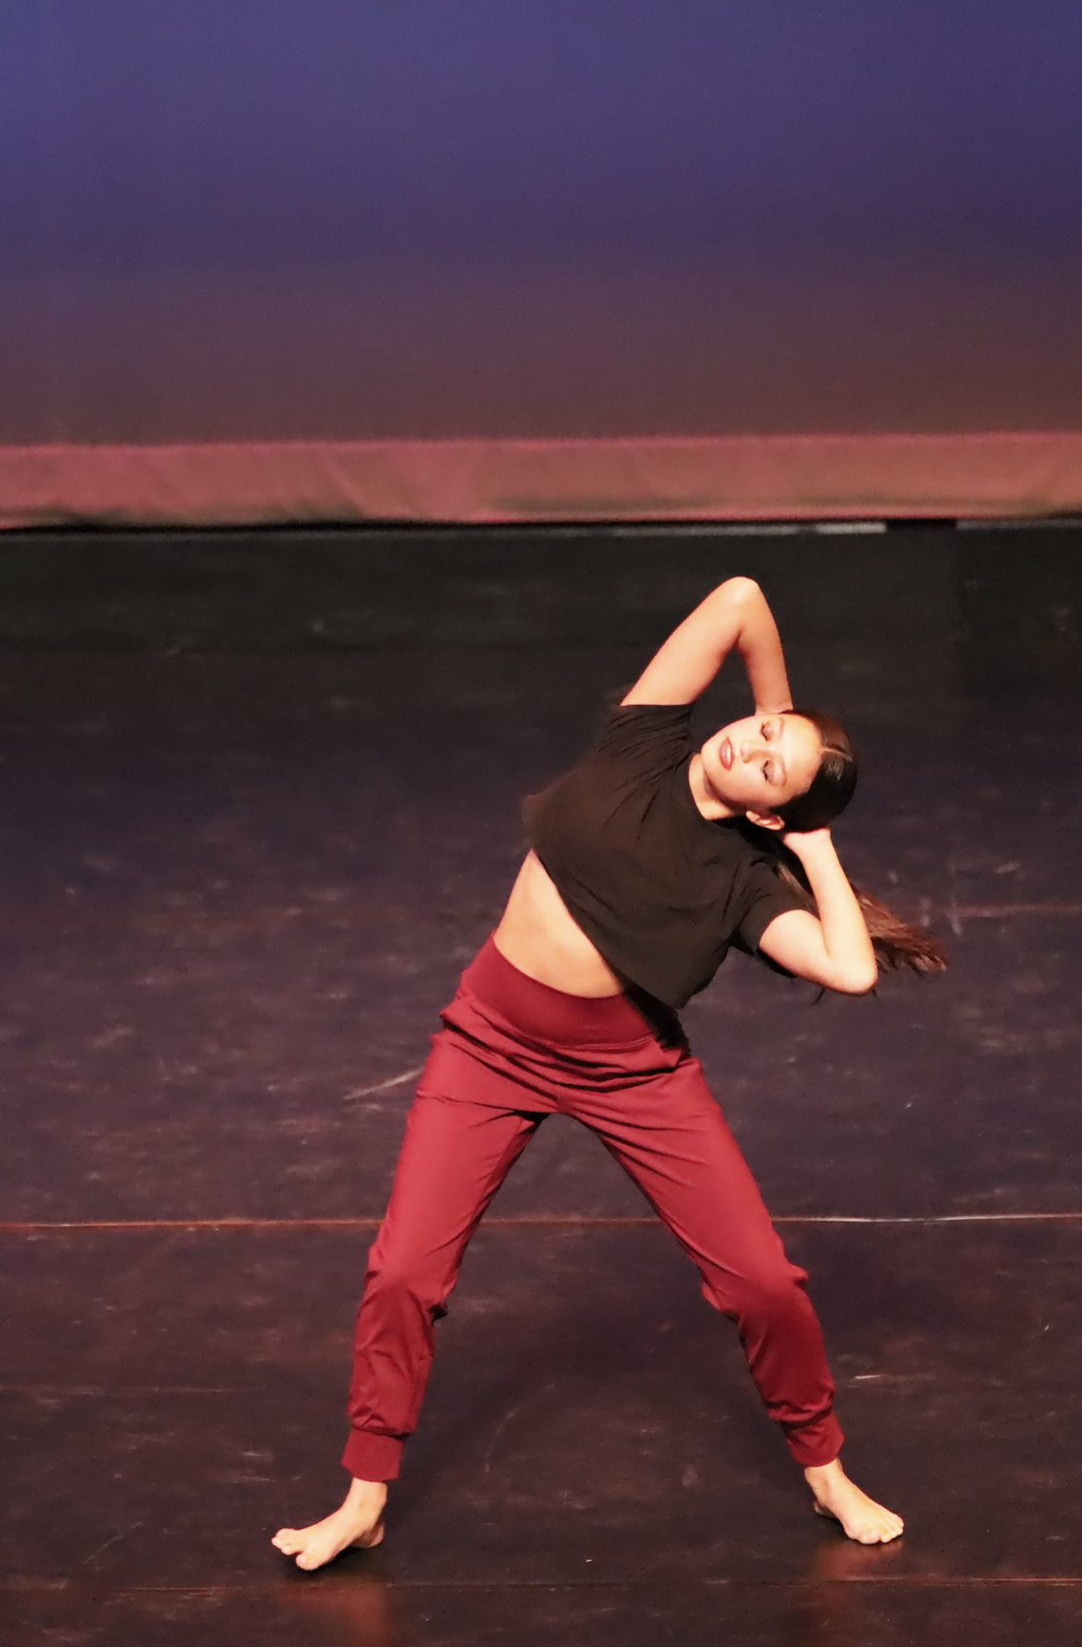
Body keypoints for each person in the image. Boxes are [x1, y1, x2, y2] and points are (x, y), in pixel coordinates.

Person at [275, 577, 946, 1570]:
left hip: (629, 1069)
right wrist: (781, 709)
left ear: (774, 816)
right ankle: (364, 1496)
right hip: (487, 1045)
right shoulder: (644, 743)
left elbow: (849, 969)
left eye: (773, 767)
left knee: (762, 1281)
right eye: (761, 733)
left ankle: (826, 1469)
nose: (750, 747)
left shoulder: (744, 882)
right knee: (405, 1269)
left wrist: (815, 843)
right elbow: (740, 598)